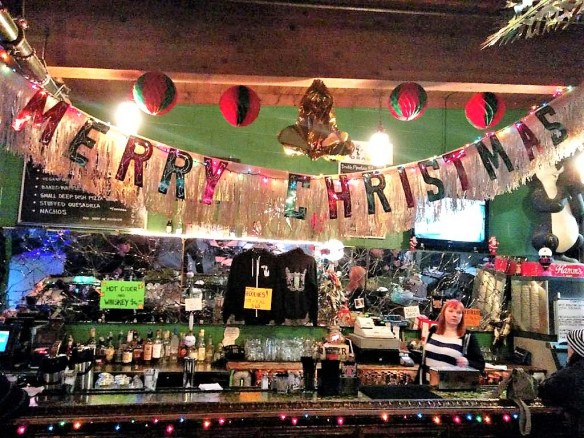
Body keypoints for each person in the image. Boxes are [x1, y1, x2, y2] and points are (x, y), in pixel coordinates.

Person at [415, 299, 485, 384]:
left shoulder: (468, 337)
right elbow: (423, 361)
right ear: (443, 313)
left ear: (462, 316)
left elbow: (480, 364)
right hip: (427, 384)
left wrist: (467, 362)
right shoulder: (432, 331)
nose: (454, 315)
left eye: (459, 313)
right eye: (451, 311)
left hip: (450, 386)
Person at [538, 329, 584, 433]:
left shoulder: (570, 374)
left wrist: (568, 365)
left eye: (569, 346)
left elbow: (546, 391)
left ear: (575, 349)